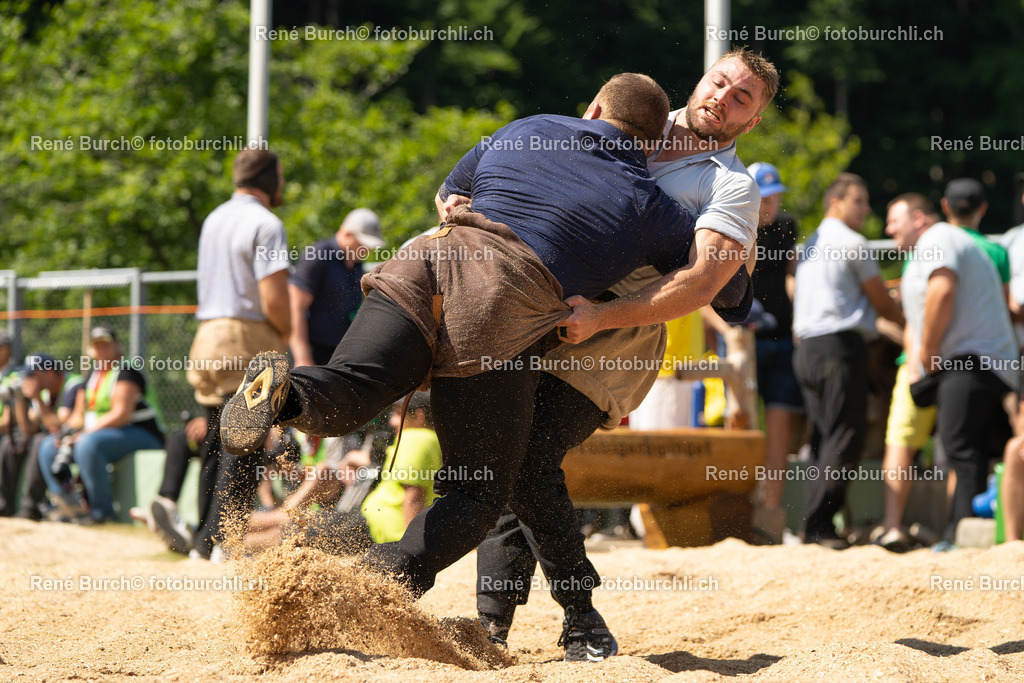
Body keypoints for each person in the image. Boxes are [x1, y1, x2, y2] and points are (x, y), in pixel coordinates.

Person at [220, 72, 754, 661]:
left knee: (350, 391)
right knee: (478, 491)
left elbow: (452, 192)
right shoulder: (647, 201)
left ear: (593, 105)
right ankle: (365, 585)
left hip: (425, 259)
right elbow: (727, 293)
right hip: (501, 306)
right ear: (650, 144)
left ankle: (282, 393)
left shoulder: (528, 128)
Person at [475, 47, 780, 649]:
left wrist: (602, 315)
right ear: (700, 79)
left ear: (752, 122)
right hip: (544, 311)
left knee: (530, 454)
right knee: (509, 456)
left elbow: (699, 284)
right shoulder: (632, 118)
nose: (723, 97)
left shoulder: (731, 185)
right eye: (720, 82)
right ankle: (494, 628)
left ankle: (580, 616)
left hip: (621, 335)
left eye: (741, 97)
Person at [887, 190, 1017, 542]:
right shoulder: (934, 246)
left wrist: (927, 350)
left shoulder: (939, 238)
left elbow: (942, 290)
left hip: (974, 363)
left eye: (894, 220)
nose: (887, 230)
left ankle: (964, 537)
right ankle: (965, 533)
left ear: (920, 218)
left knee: (963, 451)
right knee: (972, 451)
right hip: (979, 364)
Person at [185, 147, 292, 559]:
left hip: (208, 335)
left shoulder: (214, 218)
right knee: (246, 441)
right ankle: (221, 543)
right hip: (247, 337)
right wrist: (284, 334)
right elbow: (274, 297)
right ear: (270, 180)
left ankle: (200, 542)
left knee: (215, 441)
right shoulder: (266, 223)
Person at [792, 173, 905, 548]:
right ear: (836, 202)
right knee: (845, 436)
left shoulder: (809, 246)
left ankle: (812, 525)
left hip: (806, 348)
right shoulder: (854, 243)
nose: (866, 209)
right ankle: (822, 525)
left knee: (823, 436)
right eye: (859, 201)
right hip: (840, 348)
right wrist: (910, 320)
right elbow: (883, 303)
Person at [246, 393, 441, 554]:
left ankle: (230, 538)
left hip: (375, 528)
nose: (392, 421)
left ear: (420, 416)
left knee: (294, 533)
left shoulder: (416, 438)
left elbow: (414, 496)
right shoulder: (427, 440)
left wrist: (411, 548)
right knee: (296, 527)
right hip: (370, 522)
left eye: (399, 414)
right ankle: (231, 534)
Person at [37, 328, 164, 523]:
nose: (101, 349)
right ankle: (67, 506)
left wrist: (84, 433)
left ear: (116, 346)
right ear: (91, 350)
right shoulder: (91, 377)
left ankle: (101, 512)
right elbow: (78, 416)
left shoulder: (127, 371)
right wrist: (64, 434)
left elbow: (121, 414)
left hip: (142, 433)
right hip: (102, 433)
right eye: (96, 345)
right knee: (48, 445)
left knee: (87, 444)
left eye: (105, 344)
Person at [746, 162, 801, 542]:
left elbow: (793, 277)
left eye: (775, 196)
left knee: (780, 432)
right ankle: (741, 511)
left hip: (782, 341)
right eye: (765, 197)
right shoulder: (733, 226)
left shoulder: (788, 228)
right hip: (745, 343)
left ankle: (769, 516)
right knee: (743, 429)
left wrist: (802, 323)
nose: (771, 204)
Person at [289, 208, 385, 367]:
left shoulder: (356, 262)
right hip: (313, 352)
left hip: (339, 353)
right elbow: (295, 309)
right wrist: (302, 358)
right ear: (347, 234)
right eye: (363, 244)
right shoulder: (318, 255)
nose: (367, 250)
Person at [0, 354, 82, 518]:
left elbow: (59, 425)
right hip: (52, 438)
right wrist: (20, 399)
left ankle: (31, 508)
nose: (29, 380)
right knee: (11, 443)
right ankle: (4, 505)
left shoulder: (73, 385)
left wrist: (37, 397)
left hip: (69, 439)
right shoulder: (44, 392)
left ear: (50, 373)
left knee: (39, 442)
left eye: (33, 375)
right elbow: (27, 429)